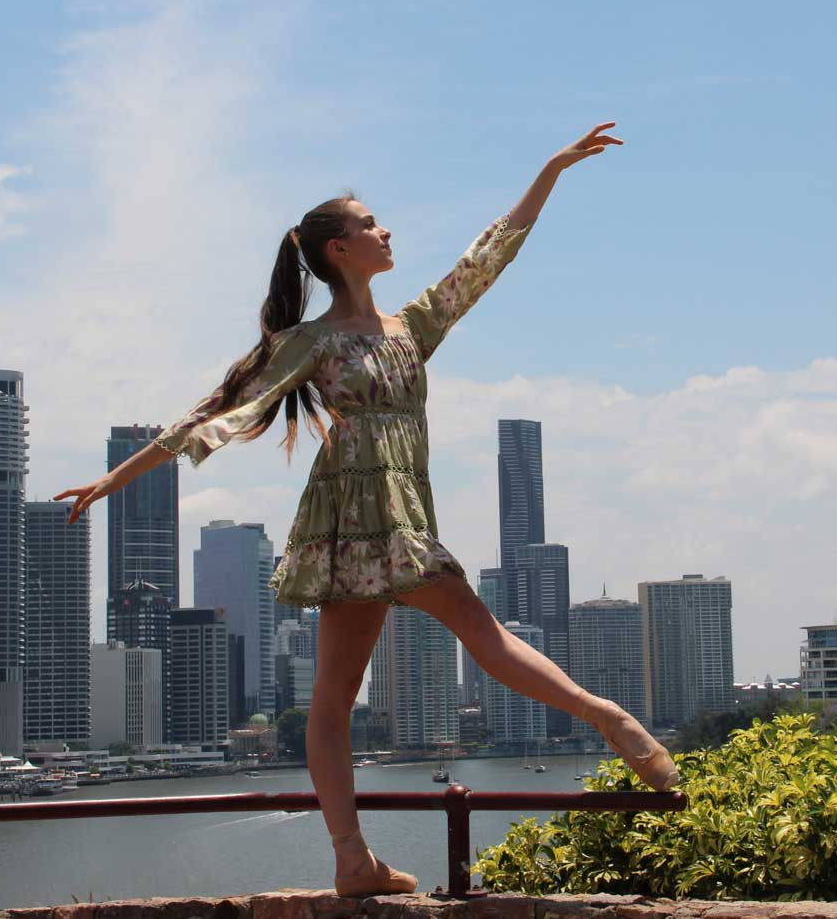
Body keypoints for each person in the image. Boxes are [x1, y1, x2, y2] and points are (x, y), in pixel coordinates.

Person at [56, 122, 677, 897]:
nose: (386, 231)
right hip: (352, 520)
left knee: (426, 658)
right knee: (358, 688)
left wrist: (550, 168)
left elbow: (487, 257)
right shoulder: (310, 341)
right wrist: (114, 478)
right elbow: (214, 411)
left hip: (398, 512)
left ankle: (378, 845)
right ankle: (590, 728)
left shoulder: (409, 326)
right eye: (370, 224)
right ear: (338, 251)